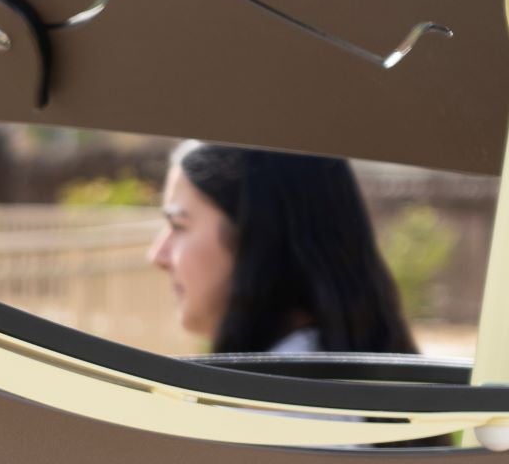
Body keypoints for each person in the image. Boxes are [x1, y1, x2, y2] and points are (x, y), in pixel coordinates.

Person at [149, 142, 416, 356]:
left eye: (178, 225)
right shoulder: (363, 379)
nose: (157, 255)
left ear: (258, 234)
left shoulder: (279, 396)